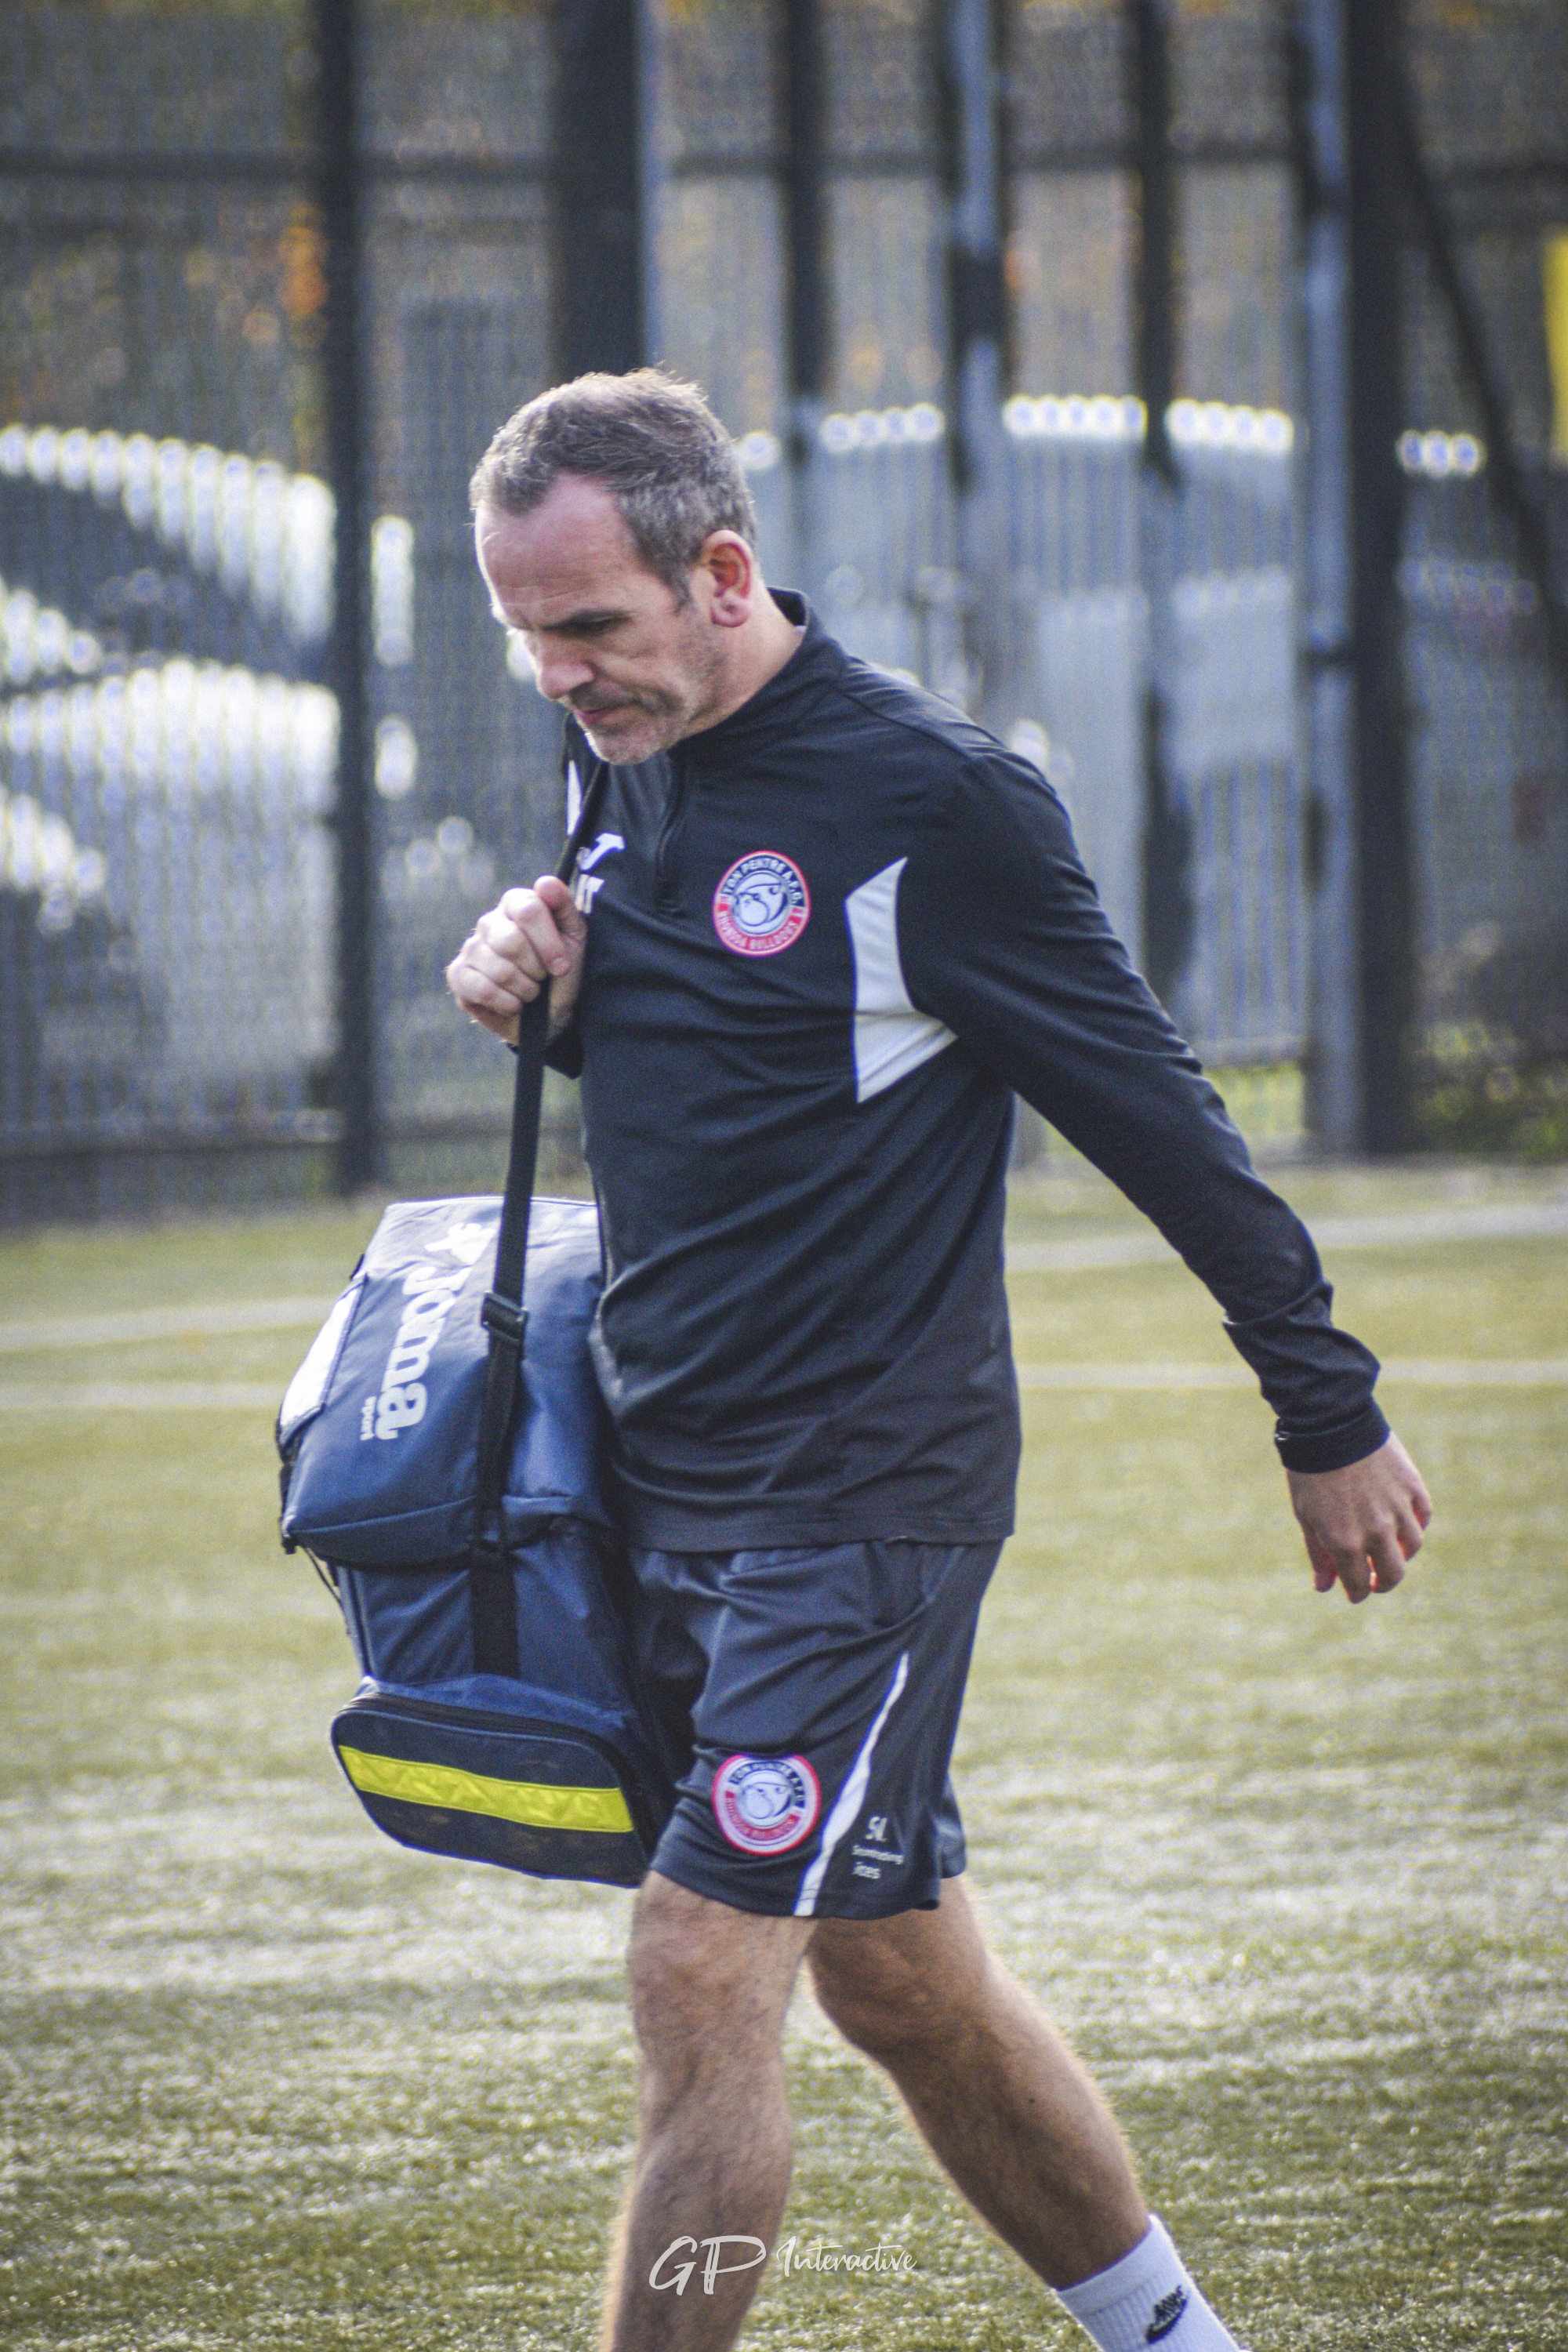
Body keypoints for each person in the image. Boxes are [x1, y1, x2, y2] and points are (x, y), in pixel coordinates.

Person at [445, 368, 1432, 2352]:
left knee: (701, 1970)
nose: (558, 677)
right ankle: (1180, 2339)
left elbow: (1162, 1113)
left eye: (592, 631)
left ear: (720, 576)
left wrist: (1322, 1406)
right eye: (525, 636)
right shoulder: (624, 755)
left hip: (857, 1504)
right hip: (667, 1488)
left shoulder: (934, 803)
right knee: (902, 1982)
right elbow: (735, 1057)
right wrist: (536, 998)